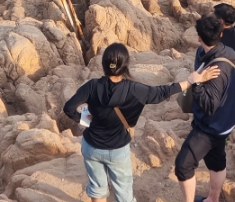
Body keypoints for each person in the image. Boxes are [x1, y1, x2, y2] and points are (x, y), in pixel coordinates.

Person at [64, 42, 218, 202]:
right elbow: (163, 92)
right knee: (123, 192)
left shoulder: (91, 86)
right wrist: (193, 81)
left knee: (97, 188)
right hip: (117, 150)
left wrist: (84, 119)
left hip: (91, 147)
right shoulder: (136, 90)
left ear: (103, 64)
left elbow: (68, 108)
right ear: (125, 66)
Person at [175, 15, 235, 202]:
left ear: (199, 37)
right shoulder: (229, 53)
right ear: (221, 34)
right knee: (216, 160)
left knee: (183, 165)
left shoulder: (216, 70)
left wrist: (197, 83)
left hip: (210, 126)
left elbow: (210, 106)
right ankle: (213, 198)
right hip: (227, 120)